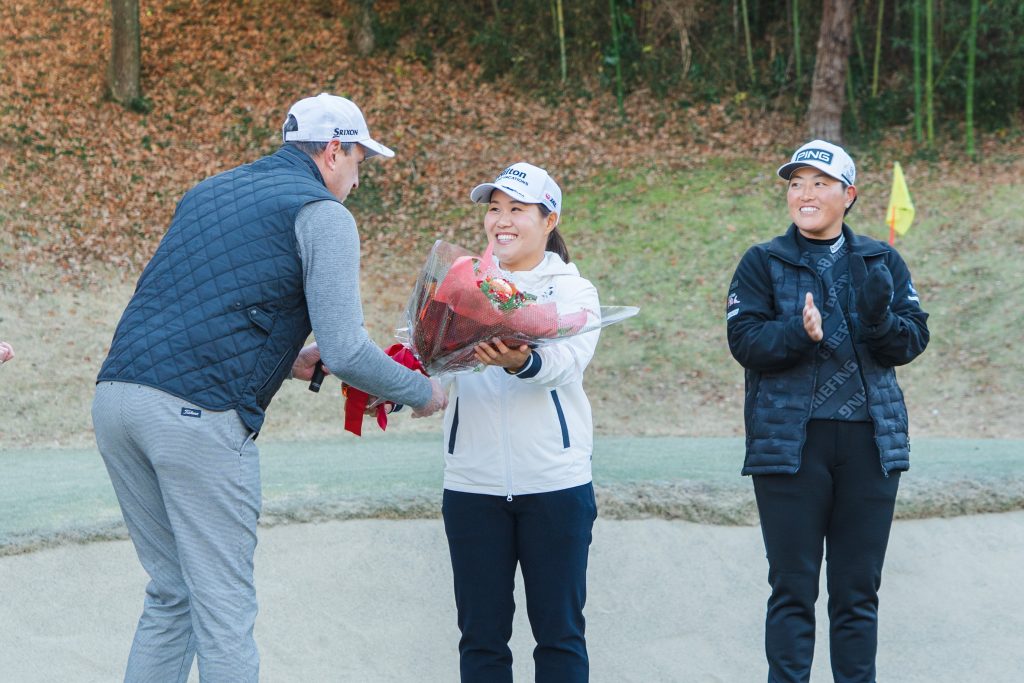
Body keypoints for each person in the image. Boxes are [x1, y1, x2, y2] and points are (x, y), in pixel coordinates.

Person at [92, 93, 447, 682]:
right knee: (223, 610)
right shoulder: (323, 214)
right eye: (359, 161)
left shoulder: (207, 192)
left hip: (116, 400)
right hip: (197, 417)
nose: (358, 179)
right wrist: (422, 392)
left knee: (172, 591)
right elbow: (347, 350)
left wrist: (286, 361)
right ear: (333, 151)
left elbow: (194, 313)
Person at [726, 140, 929, 682]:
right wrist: (800, 332)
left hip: (870, 446)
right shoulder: (763, 261)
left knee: (857, 593)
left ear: (849, 195)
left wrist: (879, 320)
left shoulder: (882, 260)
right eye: (796, 184)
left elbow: (911, 340)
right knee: (792, 589)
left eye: (820, 183)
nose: (805, 193)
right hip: (790, 449)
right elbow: (744, 340)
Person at [440, 162, 601, 683]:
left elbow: (566, 362)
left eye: (516, 209)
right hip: (472, 488)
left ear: (549, 220)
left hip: (556, 487)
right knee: (481, 639)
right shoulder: (462, 286)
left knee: (560, 636)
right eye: (494, 209)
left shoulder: (573, 292)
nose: (501, 221)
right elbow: (434, 366)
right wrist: (397, 384)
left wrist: (521, 361)